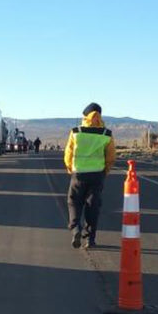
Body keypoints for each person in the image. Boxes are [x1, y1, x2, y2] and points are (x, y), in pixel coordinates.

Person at [63, 103, 116, 249]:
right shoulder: (106, 134)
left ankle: (76, 229)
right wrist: (105, 171)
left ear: (85, 116)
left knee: (73, 202)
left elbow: (68, 153)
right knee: (93, 206)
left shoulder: (76, 132)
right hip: (97, 175)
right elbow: (111, 156)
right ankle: (90, 239)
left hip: (78, 174)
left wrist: (70, 168)